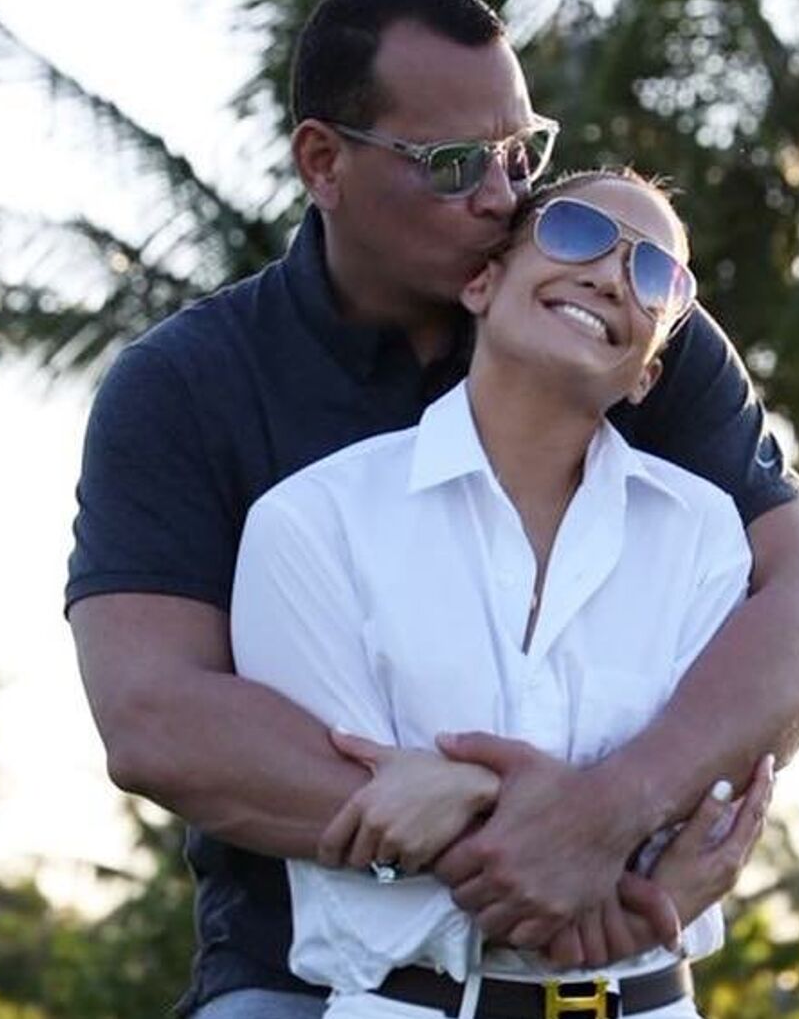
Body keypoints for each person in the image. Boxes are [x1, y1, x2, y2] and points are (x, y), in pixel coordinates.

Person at [66, 0, 799, 1019]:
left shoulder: (623, 317)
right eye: (452, 164)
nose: (501, 195)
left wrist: (610, 815)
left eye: (523, 154)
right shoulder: (188, 386)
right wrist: (518, 832)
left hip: (617, 964)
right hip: (305, 971)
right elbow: (155, 717)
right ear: (323, 162)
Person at [232, 168, 770, 1018]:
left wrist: (462, 788)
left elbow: (709, 815)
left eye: (655, 274)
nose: (610, 276)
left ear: (647, 374)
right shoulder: (313, 522)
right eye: (577, 233)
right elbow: (368, 811)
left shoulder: (704, 532)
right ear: (481, 284)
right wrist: (603, 847)